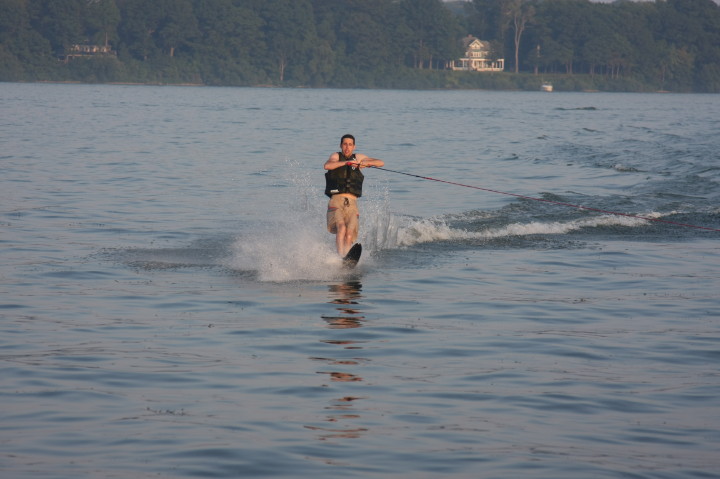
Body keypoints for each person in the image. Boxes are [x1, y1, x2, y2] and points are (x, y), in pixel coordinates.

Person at [324, 134, 384, 257]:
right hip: (336, 201)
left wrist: (366, 163)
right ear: (341, 145)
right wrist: (346, 163)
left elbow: (381, 162)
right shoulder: (336, 156)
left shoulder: (358, 157)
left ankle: (347, 256)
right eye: (345, 144)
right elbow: (327, 165)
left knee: (349, 233)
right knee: (341, 229)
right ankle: (340, 256)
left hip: (352, 204)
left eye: (350, 144)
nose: (347, 147)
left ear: (354, 147)